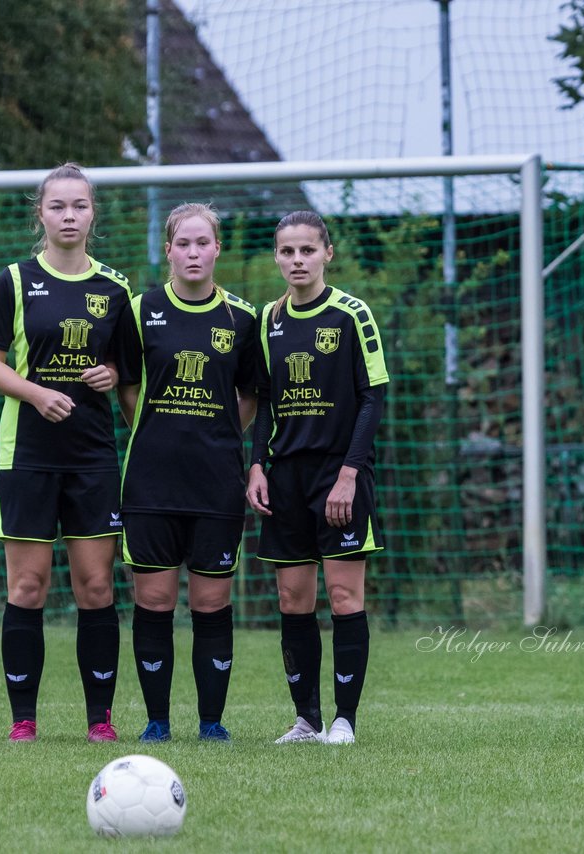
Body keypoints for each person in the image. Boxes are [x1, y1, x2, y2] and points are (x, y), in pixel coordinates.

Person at [0, 162, 132, 743]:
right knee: (28, 587)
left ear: (94, 213)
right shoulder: (15, 280)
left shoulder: (115, 289)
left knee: (96, 587)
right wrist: (38, 393)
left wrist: (109, 373)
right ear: (39, 213)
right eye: (58, 206)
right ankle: (24, 720)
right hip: (28, 456)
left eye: (80, 206)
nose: (70, 216)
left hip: (92, 456)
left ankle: (101, 722)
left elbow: (127, 372)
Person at [116, 203, 258, 743]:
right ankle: (156, 722)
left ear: (217, 248)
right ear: (169, 249)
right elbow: (128, 387)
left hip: (216, 484)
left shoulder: (242, 319)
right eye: (184, 243)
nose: (193, 253)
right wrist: (152, 431)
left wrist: (221, 434)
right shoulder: (141, 309)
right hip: (151, 482)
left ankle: (211, 723)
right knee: (153, 602)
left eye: (204, 243)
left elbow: (249, 396)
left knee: (210, 603)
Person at [246, 211, 388, 746]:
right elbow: (264, 402)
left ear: (328, 252)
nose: (297, 260)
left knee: (344, 596)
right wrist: (257, 464)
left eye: (307, 250)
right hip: (286, 475)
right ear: (277, 257)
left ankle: (344, 721)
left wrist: (349, 474)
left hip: (339, 471)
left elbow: (373, 398)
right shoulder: (269, 319)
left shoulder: (352, 314)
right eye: (287, 252)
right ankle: (307, 720)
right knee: (292, 598)